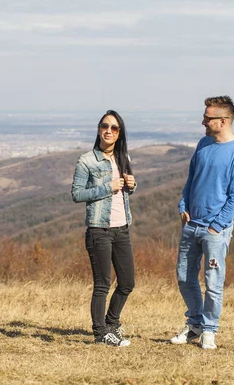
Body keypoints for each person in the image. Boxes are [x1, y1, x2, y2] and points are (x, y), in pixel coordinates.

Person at [170, 96, 234, 350]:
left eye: (208, 118)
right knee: (185, 277)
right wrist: (184, 206)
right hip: (191, 225)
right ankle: (194, 323)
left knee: (213, 283)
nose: (203, 122)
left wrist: (216, 226)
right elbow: (191, 179)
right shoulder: (204, 143)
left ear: (223, 121)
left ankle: (209, 330)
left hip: (215, 230)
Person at [71, 110, 137, 347]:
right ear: (99, 130)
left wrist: (132, 184)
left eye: (114, 128)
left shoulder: (123, 158)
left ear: (120, 134)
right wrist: (107, 187)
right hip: (99, 229)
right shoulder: (87, 160)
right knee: (102, 283)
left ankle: (112, 324)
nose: (109, 131)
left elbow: (126, 191)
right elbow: (77, 194)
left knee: (128, 282)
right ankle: (100, 333)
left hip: (122, 228)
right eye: (104, 126)